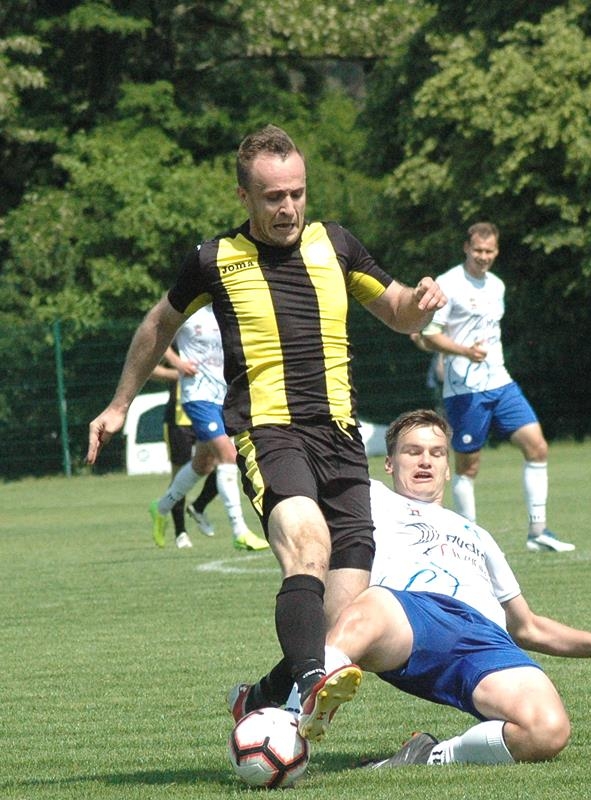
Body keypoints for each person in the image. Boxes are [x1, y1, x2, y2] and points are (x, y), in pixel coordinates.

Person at [86, 124, 446, 741]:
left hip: (340, 437)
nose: (288, 207)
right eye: (273, 196)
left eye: (297, 193)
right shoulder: (213, 259)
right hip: (268, 431)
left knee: (342, 618)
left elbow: (396, 310)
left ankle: (259, 698)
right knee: (307, 546)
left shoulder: (336, 244)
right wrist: (119, 404)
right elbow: (157, 325)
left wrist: (422, 300)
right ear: (244, 196)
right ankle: (311, 684)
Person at [317, 409, 591, 766]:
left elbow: (527, 627)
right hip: (409, 617)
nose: (425, 461)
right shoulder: (371, 498)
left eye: (437, 453)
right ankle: (293, 719)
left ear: (448, 467)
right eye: (413, 451)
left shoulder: (478, 535)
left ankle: (430, 755)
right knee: (373, 604)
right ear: (389, 463)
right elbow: (313, 464)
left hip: (483, 638)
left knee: (547, 730)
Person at [417, 222, 575, 553]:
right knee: (468, 467)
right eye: (478, 250)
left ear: (497, 251)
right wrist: (463, 351)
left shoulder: (497, 285)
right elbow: (429, 335)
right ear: (466, 248)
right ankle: (469, 538)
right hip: (465, 389)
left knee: (537, 447)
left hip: (500, 382)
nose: (483, 256)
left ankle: (538, 531)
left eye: (489, 251)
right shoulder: (449, 284)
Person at [150, 305, 269, 552]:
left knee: (202, 464)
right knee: (229, 455)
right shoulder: (189, 311)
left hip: (221, 395)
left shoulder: (226, 310)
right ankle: (239, 531)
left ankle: (161, 507)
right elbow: (158, 335)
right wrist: (177, 363)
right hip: (197, 395)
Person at [150, 359, 220, 549]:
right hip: (178, 419)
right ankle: (180, 533)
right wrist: (176, 373)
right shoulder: (175, 345)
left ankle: (198, 507)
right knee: (179, 475)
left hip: (207, 413)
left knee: (222, 465)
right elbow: (151, 368)